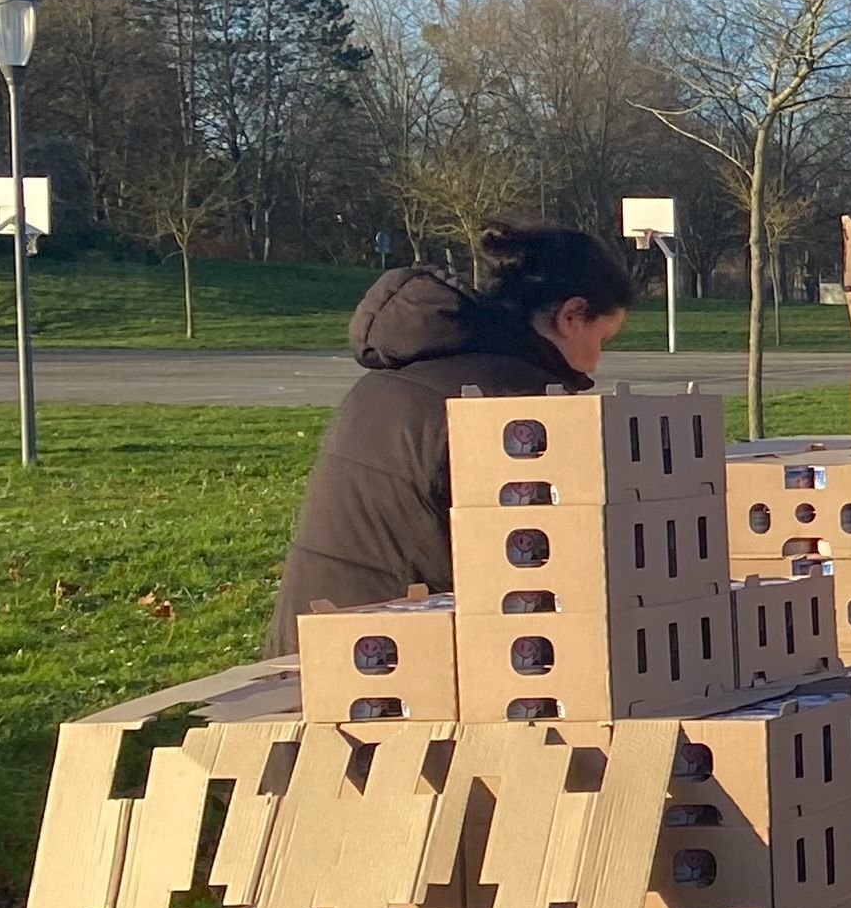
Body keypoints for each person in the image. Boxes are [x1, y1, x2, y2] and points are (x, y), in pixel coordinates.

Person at [269, 225, 635, 640]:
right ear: (571, 315)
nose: (595, 364)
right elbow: (550, 562)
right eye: (603, 338)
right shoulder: (516, 404)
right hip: (400, 663)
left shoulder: (398, 373)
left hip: (310, 642)